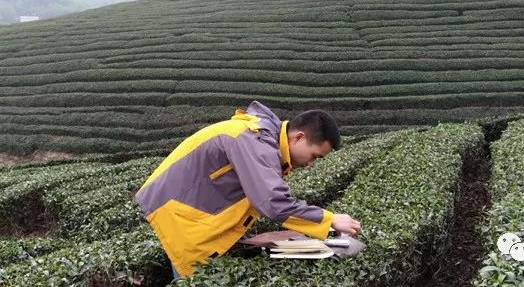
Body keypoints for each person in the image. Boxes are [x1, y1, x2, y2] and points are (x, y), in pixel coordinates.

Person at [134, 101, 362, 279]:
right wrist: (330, 220)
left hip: (188, 208)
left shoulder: (263, 139)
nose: (311, 164)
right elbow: (272, 203)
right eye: (314, 156)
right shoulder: (255, 141)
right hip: (179, 211)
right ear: (299, 137)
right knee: (193, 274)